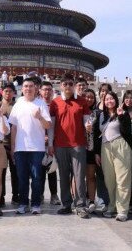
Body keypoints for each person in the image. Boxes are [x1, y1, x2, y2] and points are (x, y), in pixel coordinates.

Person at [48, 74, 91, 218]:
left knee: (79, 176)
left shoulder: (82, 101)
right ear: (60, 86)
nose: (67, 87)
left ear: (74, 86)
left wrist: (88, 126)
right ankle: (66, 204)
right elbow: (52, 126)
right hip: (60, 144)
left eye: (70, 84)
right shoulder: (55, 103)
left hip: (78, 144)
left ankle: (80, 205)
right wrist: (50, 144)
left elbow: (86, 122)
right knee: (64, 175)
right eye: (65, 84)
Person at [9, 78, 51, 215]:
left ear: (36, 88)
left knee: (37, 178)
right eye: (26, 86)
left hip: (37, 148)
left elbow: (48, 125)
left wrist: (40, 117)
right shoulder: (17, 104)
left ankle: (36, 204)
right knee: (22, 178)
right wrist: (13, 147)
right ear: (22, 89)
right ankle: (23, 203)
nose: (28, 88)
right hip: (20, 148)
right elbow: (14, 128)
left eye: (31, 86)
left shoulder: (41, 104)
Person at [93, 91, 132, 222]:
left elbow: (127, 131)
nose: (109, 101)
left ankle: (122, 210)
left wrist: (121, 116)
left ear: (116, 100)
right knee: (109, 180)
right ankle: (112, 205)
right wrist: (96, 152)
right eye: (106, 99)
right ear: (103, 102)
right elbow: (96, 135)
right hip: (105, 148)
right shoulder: (102, 116)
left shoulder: (123, 113)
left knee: (123, 179)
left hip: (120, 145)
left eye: (111, 99)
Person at [39, 81, 60, 205]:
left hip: (53, 143)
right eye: (44, 89)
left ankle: (54, 195)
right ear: (40, 91)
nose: (47, 92)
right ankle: (40, 194)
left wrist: (51, 140)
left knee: (52, 170)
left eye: (49, 89)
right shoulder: (37, 105)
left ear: (52, 92)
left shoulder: (56, 105)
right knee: (39, 171)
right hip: (39, 143)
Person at [0, 83, 18, 206]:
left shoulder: (17, 106)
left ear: (14, 93)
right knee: (0, 172)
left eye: (10, 91)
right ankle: (0, 196)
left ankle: (16, 196)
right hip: (0, 144)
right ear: (2, 92)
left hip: (15, 143)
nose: (8, 93)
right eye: (6, 91)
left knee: (15, 171)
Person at [83, 88, 98, 212]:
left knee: (91, 175)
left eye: (91, 97)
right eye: (87, 97)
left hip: (92, 148)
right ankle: (77, 199)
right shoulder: (78, 110)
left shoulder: (97, 113)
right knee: (77, 176)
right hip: (78, 146)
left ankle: (91, 200)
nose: (89, 99)